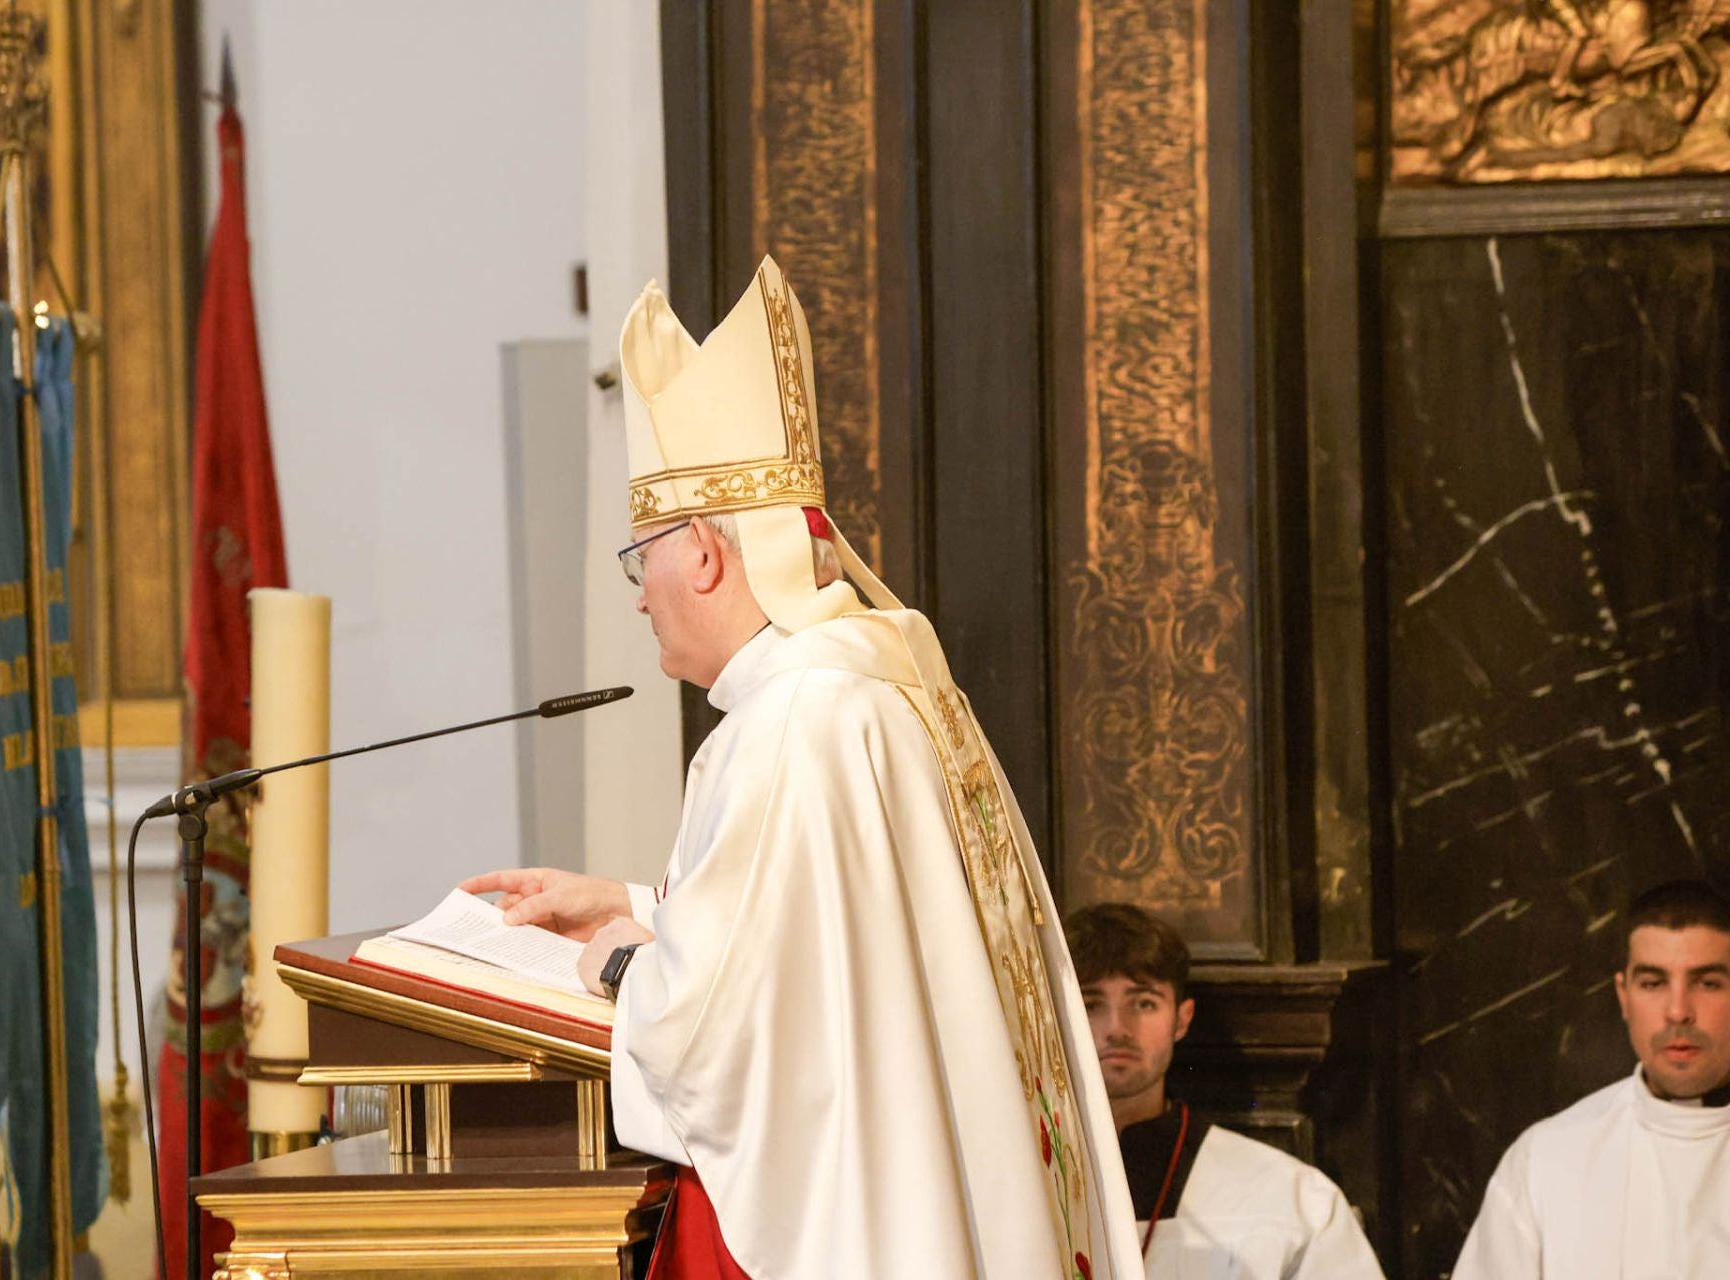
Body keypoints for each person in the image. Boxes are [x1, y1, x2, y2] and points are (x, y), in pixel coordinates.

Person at [461, 257, 1145, 1279]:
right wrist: (627, 896)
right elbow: (829, 940)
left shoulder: (790, 723)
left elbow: (718, 1030)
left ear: (702, 549)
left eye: (638, 557)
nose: (640, 594)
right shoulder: (869, 689)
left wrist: (618, 961)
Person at [1066, 904, 1384, 1279]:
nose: (1117, 1028)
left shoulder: (1291, 1199)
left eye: (1144, 1003)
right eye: (1090, 1004)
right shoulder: (1011, 1182)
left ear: (1181, 1020)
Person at [1453, 878, 1730, 1279]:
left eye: (1707, 984)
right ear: (1624, 996)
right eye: (1653, 983)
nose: (1678, 1011)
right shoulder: (1546, 1161)